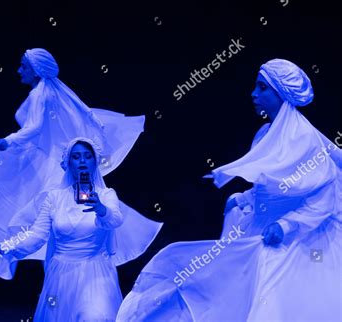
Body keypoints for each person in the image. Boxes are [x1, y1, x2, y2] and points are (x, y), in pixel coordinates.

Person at [116, 58, 342, 321]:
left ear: (281, 93)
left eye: (262, 88)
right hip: (260, 229)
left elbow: (322, 198)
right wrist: (243, 198)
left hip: (289, 241)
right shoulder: (265, 133)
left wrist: (286, 225)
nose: (253, 94)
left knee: (269, 304)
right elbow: (270, 185)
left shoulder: (304, 139)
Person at [0, 48, 148, 279]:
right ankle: (53, 264)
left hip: (44, 161)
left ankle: (64, 263)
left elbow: (34, 127)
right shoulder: (53, 90)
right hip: (44, 158)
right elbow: (80, 111)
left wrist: (9, 140)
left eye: (23, 66)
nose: (19, 71)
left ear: (36, 70)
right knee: (47, 212)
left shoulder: (41, 93)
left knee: (32, 199)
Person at [0, 137, 163, 321]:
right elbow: (36, 235)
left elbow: (115, 220)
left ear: (95, 162)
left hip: (96, 272)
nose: (82, 161)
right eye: (76, 157)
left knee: (94, 317)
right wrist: (0, 247)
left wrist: (100, 209)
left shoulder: (106, 194)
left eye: (88, 156)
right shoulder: (53, 198)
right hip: (61, 274)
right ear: (68, 163)